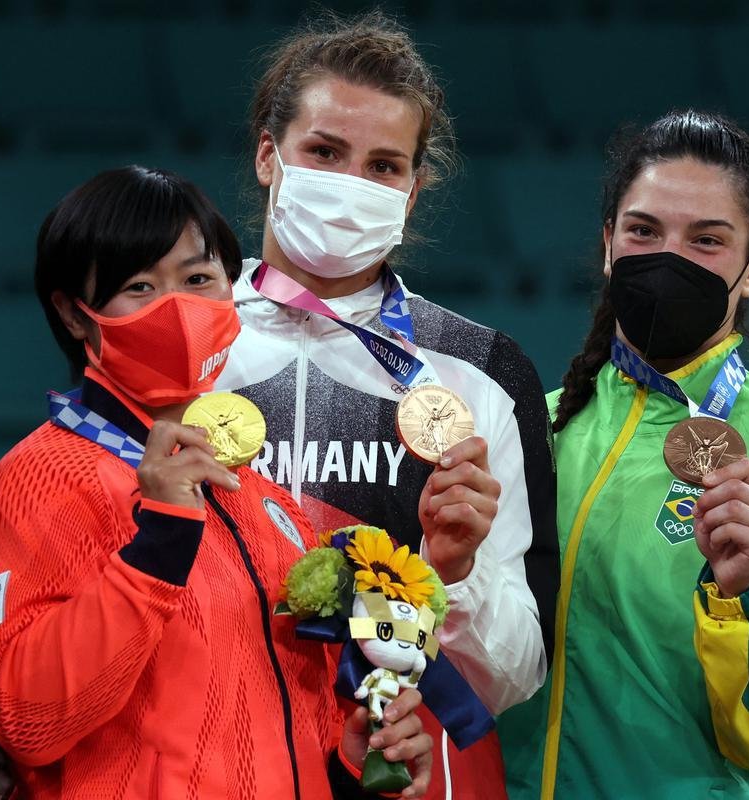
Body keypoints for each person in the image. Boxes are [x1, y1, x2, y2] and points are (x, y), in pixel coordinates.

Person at [0, 165, 436, 799]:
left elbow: (281, 719)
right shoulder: (42, 478)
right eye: (139, 286)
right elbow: (23, 718)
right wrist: (155, 548)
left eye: (197, 279)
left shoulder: (261, 498)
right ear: (75, 316)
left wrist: (352, 759)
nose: (179, 310)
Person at [214, 13, 559, 795]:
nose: (350, 185)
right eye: (325, 152)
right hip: (214, 759)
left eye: (383, 166)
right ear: (269, 155)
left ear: (414, 188)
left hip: (392, 771)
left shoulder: (481, 372)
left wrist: (461, 573)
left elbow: (516, 674)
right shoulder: (183, 342)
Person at [499, 110, 749, 799]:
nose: (667, 258)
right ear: (607, 244)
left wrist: (747, 593)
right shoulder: (536, 427)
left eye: (706, 240)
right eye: (644, 231)